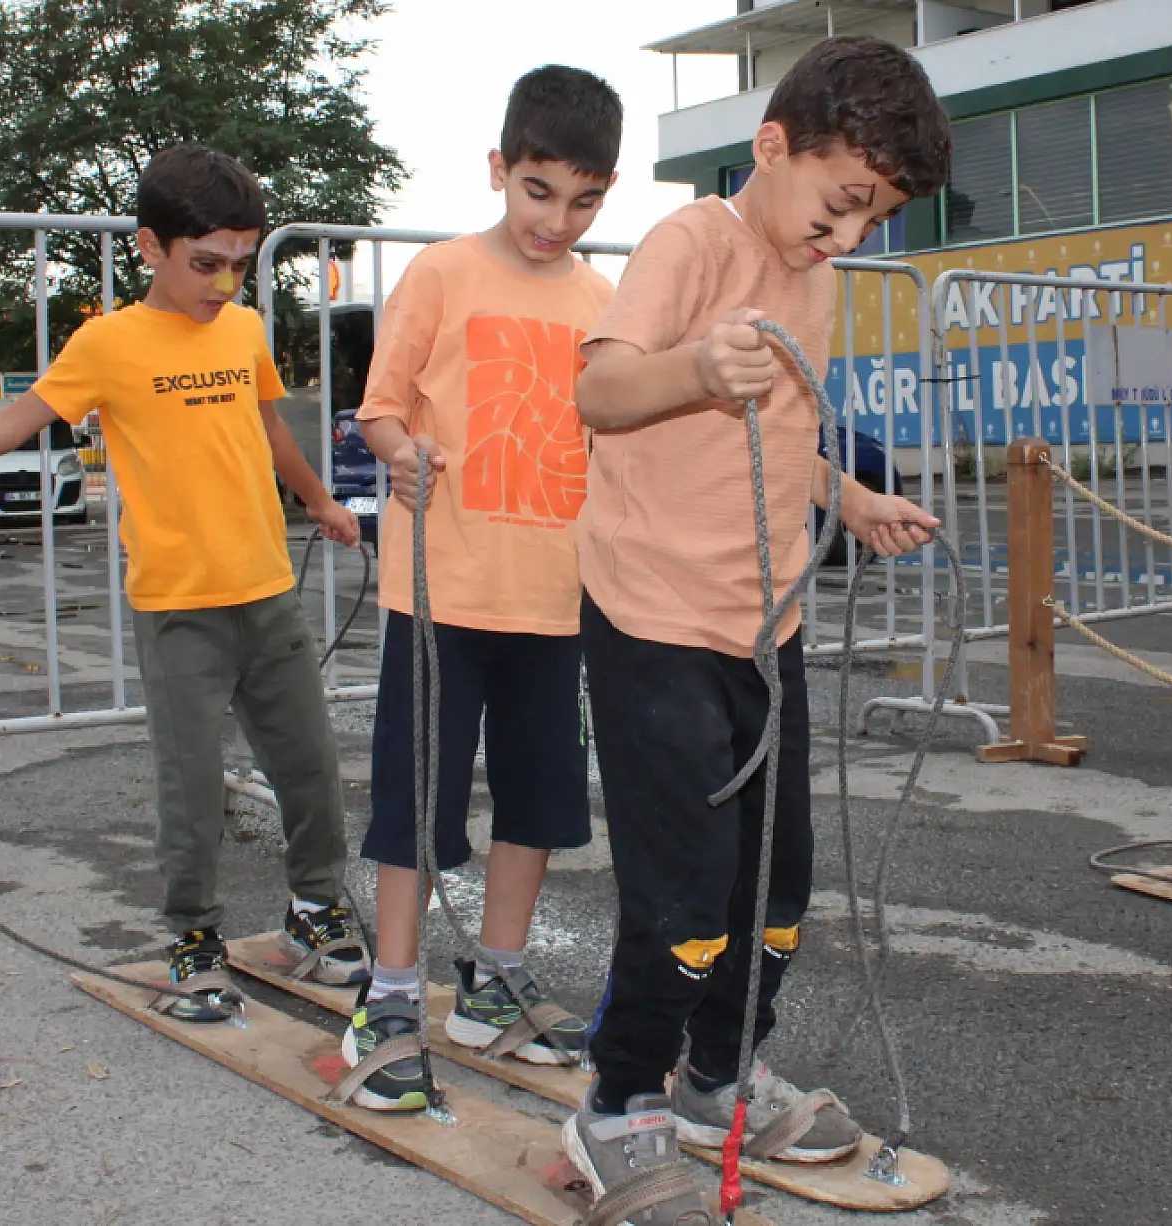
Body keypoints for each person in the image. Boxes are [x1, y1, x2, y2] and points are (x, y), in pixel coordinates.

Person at [0, 145, 370, 1011]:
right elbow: (10, 423)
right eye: (205, 265)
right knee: (190, 785)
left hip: (266, 590)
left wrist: (320, 501)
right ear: (150, 248)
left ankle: (316, 912)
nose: (225, 284)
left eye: (239, 264)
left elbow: (268, 428)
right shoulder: (108, 342)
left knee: (309, 768)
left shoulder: (243, 330)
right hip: (178, 606)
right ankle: (193, 935)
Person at [558, 37, 953, 1220]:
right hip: (652, 616)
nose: (850, 235)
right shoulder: (693, 242)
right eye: (843, 202)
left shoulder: (814, 274)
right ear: (771, 146)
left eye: (874, 217)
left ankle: (718, 1077)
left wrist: (850, 494)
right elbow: (599, 389)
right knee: (683, 888)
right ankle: (615, 1103)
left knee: (775, 885)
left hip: (760, 623)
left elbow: (783, 433)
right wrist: (690, 367)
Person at [337, 64, 623, 1111]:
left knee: (540, 798)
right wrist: (398, 449)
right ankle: (391, 989)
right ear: (499, 169)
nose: (558, 218)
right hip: (441, 593)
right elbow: (376, 409)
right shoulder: (443, 276)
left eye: (585, 199)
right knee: (415, 800)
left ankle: (493, 979)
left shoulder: (602, 300)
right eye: (539, 191)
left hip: (557, 600)